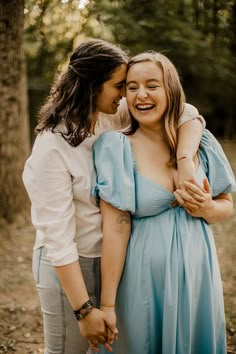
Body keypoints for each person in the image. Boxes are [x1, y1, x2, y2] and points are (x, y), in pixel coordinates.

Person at [22, 39, 205, 354]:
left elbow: (186, 111)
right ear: (93, 86)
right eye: (119, 85)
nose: (125, 95)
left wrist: (186, 159)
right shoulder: (51, 149)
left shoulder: (109, 116)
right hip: (69, 267)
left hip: (111, 262)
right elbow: (58, 242)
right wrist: (83, 309)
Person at [92, 51, 236, 354]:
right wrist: (106, 305)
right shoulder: (116, 147)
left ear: (170, 90)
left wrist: (208, 208)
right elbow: (115, 230)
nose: (141, 95)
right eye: (132, 87)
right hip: (144, 281)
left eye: (152, 85)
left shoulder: (202, 142)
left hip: (199, 278)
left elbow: (225, 204)